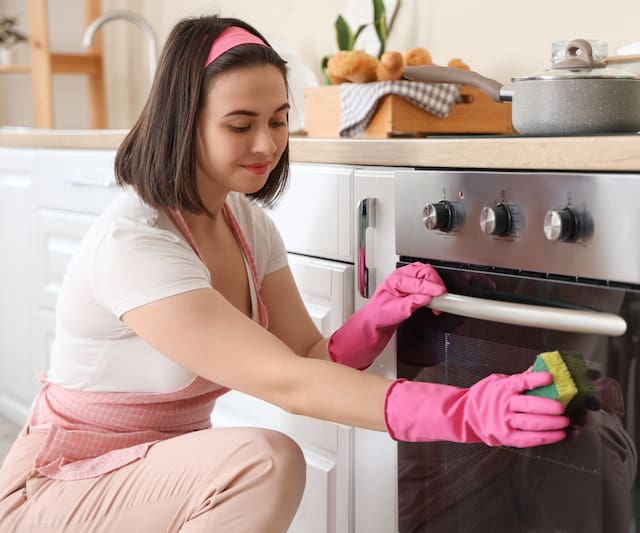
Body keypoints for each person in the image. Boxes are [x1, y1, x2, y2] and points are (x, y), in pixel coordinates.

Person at [0, 15, 570, 532]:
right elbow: (286, 384)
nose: (267, 144)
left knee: (257, 461)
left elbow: (305, 359)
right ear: (184, 122)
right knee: (262, 462)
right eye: (239, 124)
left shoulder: (245, 222)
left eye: (278, 120)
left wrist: (374, 319)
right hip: (56, 487)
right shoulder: (136, 242)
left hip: (147, 482)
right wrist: (465, 411)